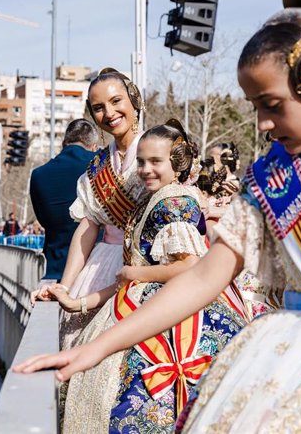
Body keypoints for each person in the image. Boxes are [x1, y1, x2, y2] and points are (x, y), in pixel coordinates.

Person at [15, 0, 301, 432]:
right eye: (255, 107)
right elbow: (203, 276)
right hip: (286, 367)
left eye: (272, 105)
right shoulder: (271, 177)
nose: (261, 123)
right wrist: (97, 348)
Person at [45, 120, 246, 433]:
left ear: (177, 164)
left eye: (156, 162)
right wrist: (79, 302)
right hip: (141, 302)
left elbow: (189, 266)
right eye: (141, 162)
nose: (146, 169)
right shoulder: (154, 199)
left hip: (174, 316)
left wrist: (135, 272)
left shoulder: (174, 201)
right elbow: (127, 281)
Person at [34, 68, 150, 350]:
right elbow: (87, 229)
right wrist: (65, 285)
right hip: (102, 268)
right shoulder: (96, 167)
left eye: (116, 101)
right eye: (98, 108)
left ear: (133, 100)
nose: (109, 113)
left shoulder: (159, 151)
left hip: (149, 267)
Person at [29, 119, 99, 281]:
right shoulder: (100, 165)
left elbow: (43, 219)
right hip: (94, 267)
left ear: (63, 143)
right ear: (93, 145)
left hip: (55, 267)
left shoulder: (38, 174)